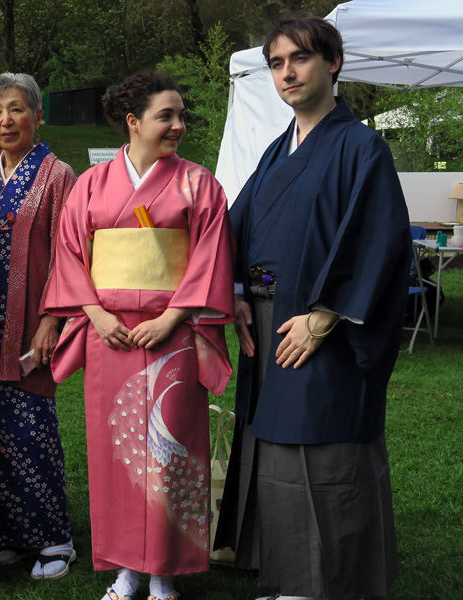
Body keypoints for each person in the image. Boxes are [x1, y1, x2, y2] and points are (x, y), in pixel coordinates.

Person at [213, 16, 409, 600]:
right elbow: (245, 233)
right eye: (276, 63)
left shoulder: (361, 146)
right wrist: (245, 292)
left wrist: (326, 314)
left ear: (333, 64)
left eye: (300, 59)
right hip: (273, 321)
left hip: (327, 327)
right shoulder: (277, 151)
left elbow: (382, 240)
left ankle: (326, 580)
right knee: (273, 447)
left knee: (321, 445)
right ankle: (290, 574)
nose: (287, 73)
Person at [44, 72, 234, 600]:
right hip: (111, 337)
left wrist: (171, 319)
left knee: (170, 447)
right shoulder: (91, 184)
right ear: (133, 122)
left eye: (181, 116)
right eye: (165, 116)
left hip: (171, 334)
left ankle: (164, 572)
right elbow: (69, 254)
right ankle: (128, 569)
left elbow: (210, 258)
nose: (179, 125)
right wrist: (96, 316)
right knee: (118, 452)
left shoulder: (200, 184)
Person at [0, 72, 76, 579]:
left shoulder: (58, 176)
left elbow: (70, 255)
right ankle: (8, 534)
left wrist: (52, 320)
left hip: (31, 324)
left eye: (16, 109)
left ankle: (55, 538)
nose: (5, 120)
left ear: (37, 115)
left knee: (32, 430)